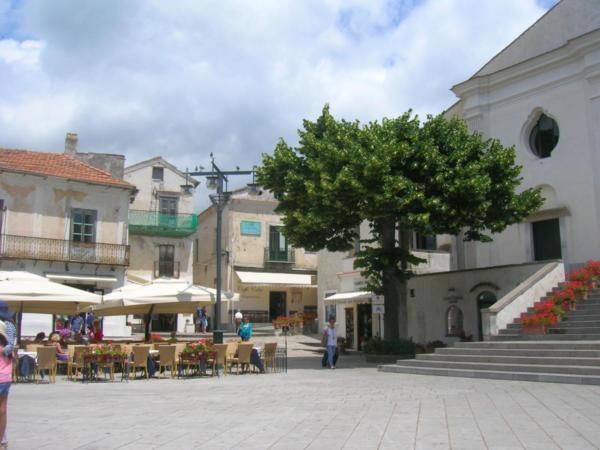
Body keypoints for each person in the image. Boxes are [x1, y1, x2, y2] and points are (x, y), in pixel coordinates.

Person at [0, 321, 13, 450]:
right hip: (5, 379)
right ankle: (3, 440)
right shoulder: (8, 347)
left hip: (3, 379)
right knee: (2, 411)